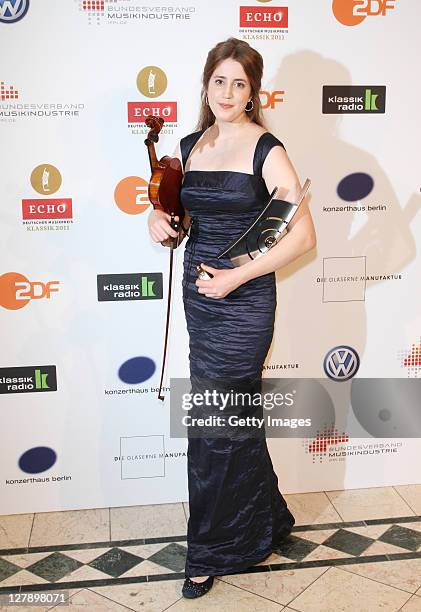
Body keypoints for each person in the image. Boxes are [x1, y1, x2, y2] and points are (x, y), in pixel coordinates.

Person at [148, 37, 317, 599]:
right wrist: (159, 220)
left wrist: (235, 278)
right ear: (206, 85)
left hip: (242, 304)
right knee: (233, 418)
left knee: (213, 425)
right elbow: (187, 218)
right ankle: (264, 520)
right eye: (219, 81)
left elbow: (303, 237)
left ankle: (209, 551)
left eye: (239, 84)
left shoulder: (267, 149)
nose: (227, 92)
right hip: (200, 297)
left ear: (252, 92)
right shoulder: (192, 144)